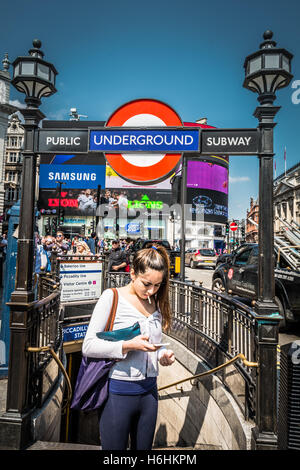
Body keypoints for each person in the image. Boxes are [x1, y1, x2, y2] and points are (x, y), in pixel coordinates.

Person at [82, 244, 175, 450]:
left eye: (157, 285)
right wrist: (127, 345)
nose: (151, 291)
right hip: (119, 391)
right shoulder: (111, 297)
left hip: (150, 391)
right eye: (147, 284)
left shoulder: (155, 303)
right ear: (132, 273)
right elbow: (88, 346)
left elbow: (151, 345)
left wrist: (162, 354)